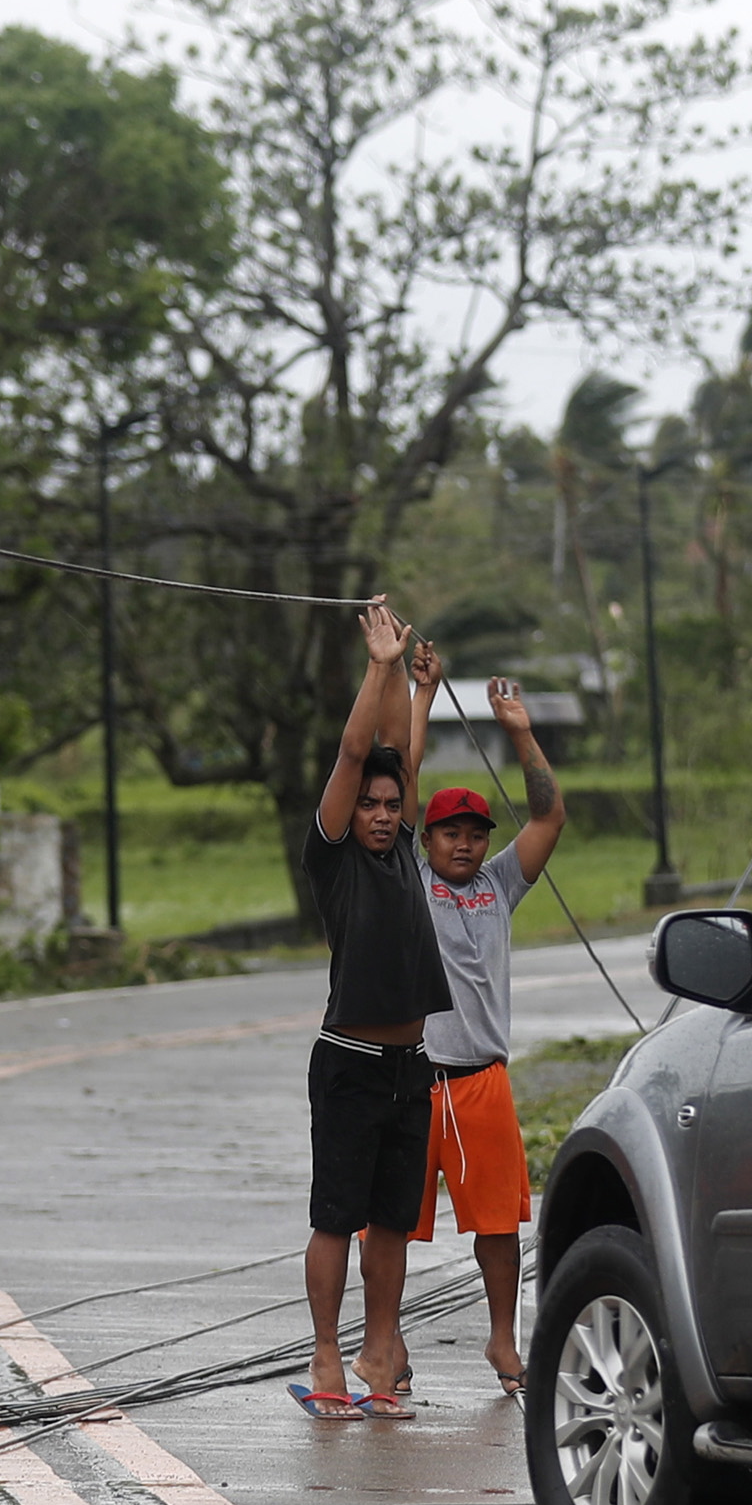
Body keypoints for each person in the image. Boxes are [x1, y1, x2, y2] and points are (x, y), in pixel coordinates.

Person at [292, 602, 452, 1419]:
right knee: (336, 1216)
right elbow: (359, 752)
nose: (384, 814)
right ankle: (326, 1351)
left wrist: (420, 693)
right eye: (371, 805)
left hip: (409, 1069)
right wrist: (379, 667)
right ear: (348, 811)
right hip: (349, 1065)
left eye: (392, 805)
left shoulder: (403, 852)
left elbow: (399, 758)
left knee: (391, 1224)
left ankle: (379, 1355)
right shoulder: (335, 857)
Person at [403, 677, 569, 1397]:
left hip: (482, 1081)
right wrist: (421, 694)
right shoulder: (409, 880)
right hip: (413, 1079)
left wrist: (520, 730)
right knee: (388, 1224)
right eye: (450, 832)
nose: (464, 843)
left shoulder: (501, 885)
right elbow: (402, 785)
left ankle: (503, 1340)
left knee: (499, 1225)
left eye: (475, 833)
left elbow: (549, 815)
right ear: (427, 839)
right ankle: (386, 1344)